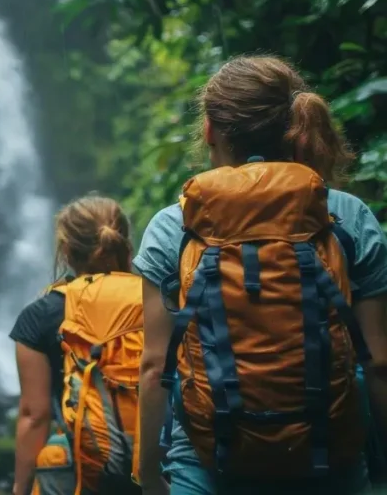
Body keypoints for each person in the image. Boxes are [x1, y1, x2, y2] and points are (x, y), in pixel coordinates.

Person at [135, 55, 387, 495]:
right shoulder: (347, 217)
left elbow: (156, 364)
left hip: (207, 461)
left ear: (210, 129)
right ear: (296, 124)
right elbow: (378, 361)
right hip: (329, 454)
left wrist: (149, 473)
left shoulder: (173, 227)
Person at [11, 195, 144, 495]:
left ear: (66, 250)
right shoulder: (155, 301)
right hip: (155, 461)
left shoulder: (40, 316)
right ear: (124, 242)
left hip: (80, 466)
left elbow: (35, 415)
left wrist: (20, 486)